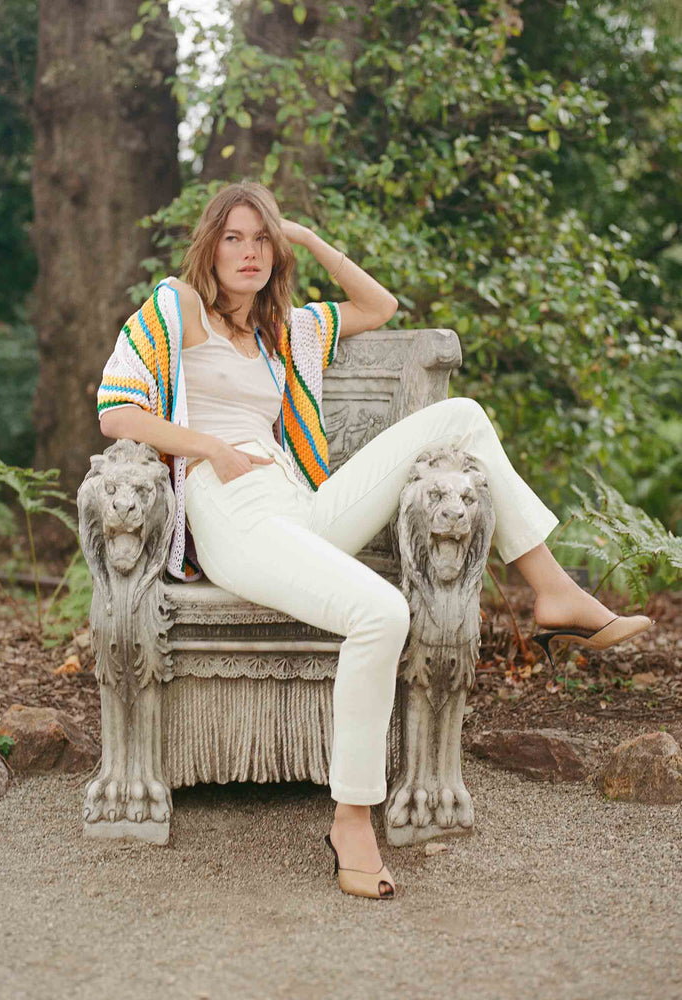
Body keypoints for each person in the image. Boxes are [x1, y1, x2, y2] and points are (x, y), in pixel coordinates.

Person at [97, 181, 654, 900]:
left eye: (261, 239)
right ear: (210, 244)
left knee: (461, 415)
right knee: (383, 613)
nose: (249, 252)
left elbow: (379, 308)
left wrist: (305, 237)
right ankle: (352, 819)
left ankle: (552, 591)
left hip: (304, 503)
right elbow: (117, 411)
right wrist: (211, 448)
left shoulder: (285, 331)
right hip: (232, 510)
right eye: (234, 237)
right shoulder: (178, 307)